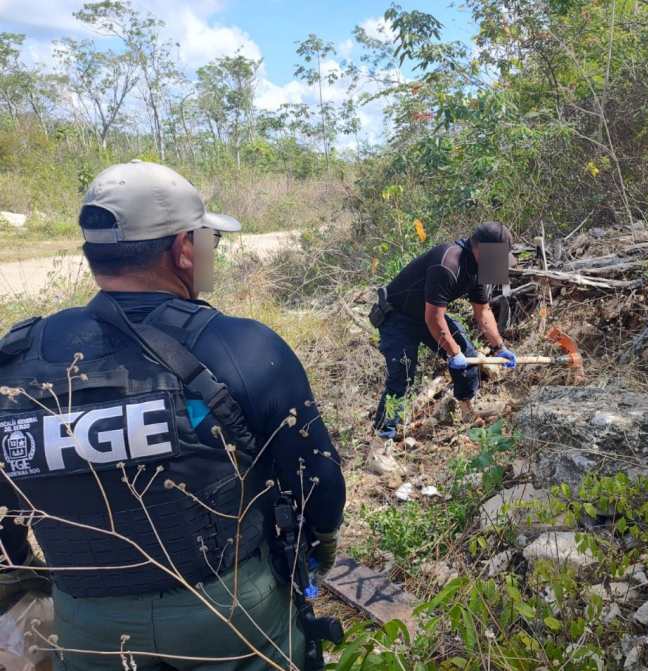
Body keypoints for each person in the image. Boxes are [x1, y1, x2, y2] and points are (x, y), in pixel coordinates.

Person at [0, 160, 345, 670]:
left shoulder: (18, 358)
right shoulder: (241, 346)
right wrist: (322, 546)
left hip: (89, 625)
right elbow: (317, 481)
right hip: (229, 609)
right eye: (210, 240)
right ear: (184, 250)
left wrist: (26, 571)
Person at [371, 222, 517, 438]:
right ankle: (382, 438)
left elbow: (483, 311)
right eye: (496, 256)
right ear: (480, 249)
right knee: (402, 376)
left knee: (468, 356)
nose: (498, 263)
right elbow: (434, 318)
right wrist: (452, 352)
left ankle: (467, 409)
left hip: (426, 314)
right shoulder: (449, 264)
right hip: (397, 317)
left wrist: (499, 347)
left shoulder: (480, 265)